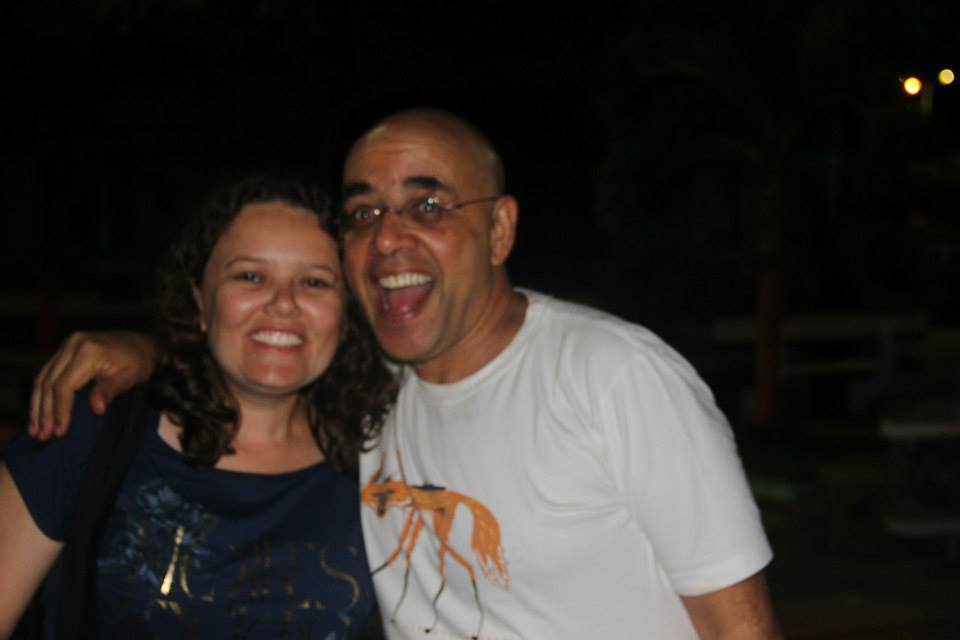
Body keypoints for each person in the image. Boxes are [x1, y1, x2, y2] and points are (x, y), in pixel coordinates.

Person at [28, 110, 781, 639]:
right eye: (363, 215)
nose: (389, 237)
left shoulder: (614, 375)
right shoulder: (374, 390)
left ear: (498, 229)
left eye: (427, 205)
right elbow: (267, 347)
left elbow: (743, 630)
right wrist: (148, 351)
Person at [1, 178, 396, 638]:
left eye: (314, 282)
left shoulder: (379, 461)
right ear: (200, 302)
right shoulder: (95, 426)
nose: (284, 304)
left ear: (345, 315)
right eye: (250, 276)